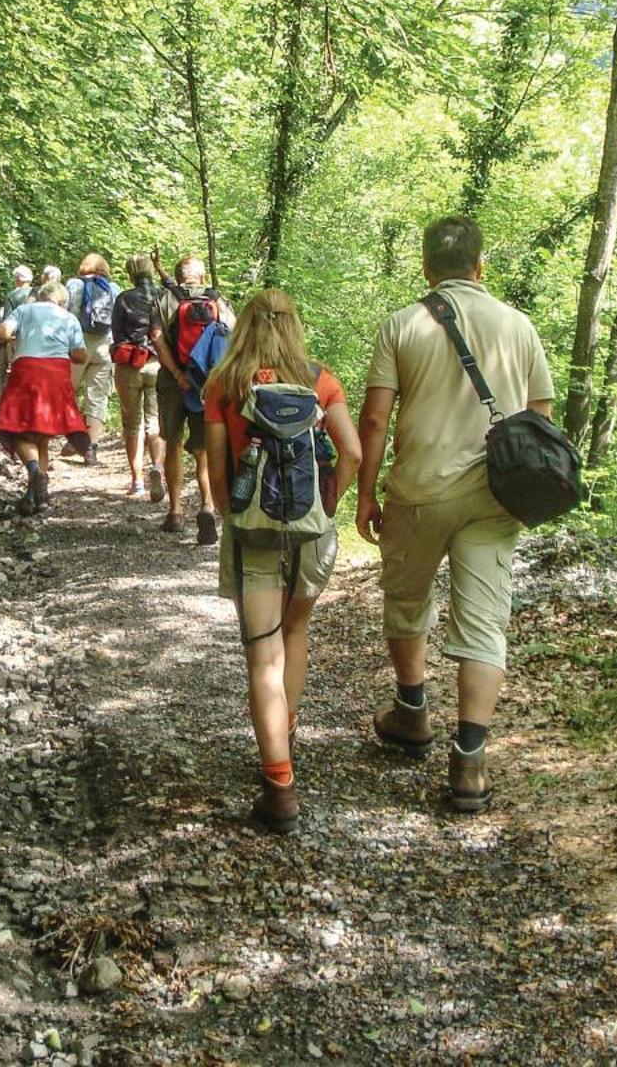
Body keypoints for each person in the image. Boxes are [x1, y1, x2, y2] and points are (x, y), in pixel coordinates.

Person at [356, 218, 554, 814]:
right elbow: (541, 418)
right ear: (480, 266)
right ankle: (469, 762)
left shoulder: (403, 324)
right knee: (485, 622)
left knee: (408, 600)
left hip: (419, 490)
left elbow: (373, 420)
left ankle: (412, 713)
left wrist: (365, 494)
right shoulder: (519, 326)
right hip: (496, 496)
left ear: (425, 268)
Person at [203, 290, 361, 835]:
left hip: (255, 532)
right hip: (312, 530)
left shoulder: (225, 384)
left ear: (242, 326)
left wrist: (229, 514)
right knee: (296, 632)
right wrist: (331, 500)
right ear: (295, 326)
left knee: (261, 653)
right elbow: (355, 453)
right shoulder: (321, 379)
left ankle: (279, 785)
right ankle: (283, 734)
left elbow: (218, 468)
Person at [0, 282, 90, 515]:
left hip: (27, 371)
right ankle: (38, 496)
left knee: (18, 430)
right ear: (63, 301)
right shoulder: (69, 318)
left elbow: (3, 332)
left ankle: (35, 473)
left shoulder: (25, 310)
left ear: (41, 296)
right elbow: (80, 355)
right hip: (56, 374)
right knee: (42, 435)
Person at [151, 256, 230, 545]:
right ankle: (207, 505)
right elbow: (230, 340)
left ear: (178, 275)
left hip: (173, 383)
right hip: (206, 385)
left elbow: (157, 338)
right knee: (203, 449)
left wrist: (176, 373)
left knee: (171, 442)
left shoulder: (164, 299)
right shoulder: (218, 301)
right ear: (202, 275)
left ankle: (175, 512)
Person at [110, 256, 168, 500]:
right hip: (158, 364)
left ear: (130, 273)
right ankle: (158, 468)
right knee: (155, 422)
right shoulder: (164, 296)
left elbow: (116, 333)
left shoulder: (124, 298)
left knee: (132, 424)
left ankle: (137, 482)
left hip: (130, 364)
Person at [64, 253, 119, 465]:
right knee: (98, 397)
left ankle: (75, 434)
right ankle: (91, 448)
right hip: (105, 346)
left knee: (67, 392)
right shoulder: (114, 289)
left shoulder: (73, 285)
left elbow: (65, 315)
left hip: (78, 345)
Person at [0, 264, 33, 399]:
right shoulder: (37, 293)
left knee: (3, 372)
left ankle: (1, 403)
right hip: (30, 338)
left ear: (18, 279)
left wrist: (1, 338)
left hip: (13, 338)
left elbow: (8, 317)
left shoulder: (12, 294)